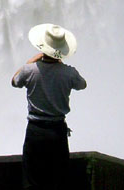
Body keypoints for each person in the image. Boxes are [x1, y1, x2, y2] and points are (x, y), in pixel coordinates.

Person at [12, 23, 87, 189]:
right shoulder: (69, 73)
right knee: (58, 179)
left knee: (32, 180)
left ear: (42, 48)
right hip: (57, 131)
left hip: (35, 130)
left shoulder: (29, 70)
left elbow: (14, 82)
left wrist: (30, 61)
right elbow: (83, 85)